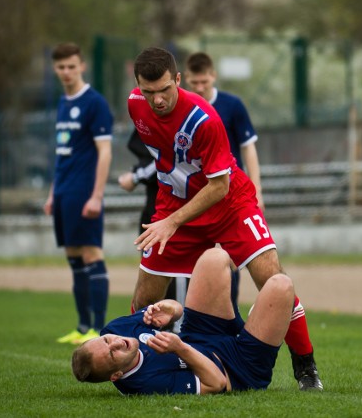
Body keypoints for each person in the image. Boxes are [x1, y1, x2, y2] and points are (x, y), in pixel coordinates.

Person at [126, 47, 322, 390]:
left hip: (229, 202)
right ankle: (138, 366)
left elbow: (219, 186)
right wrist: (169, 214)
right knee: (144, 298)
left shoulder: (205, 119)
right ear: (138, 87)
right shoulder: (134, 104)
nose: (156, 100)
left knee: (272, 278)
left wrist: (172, 222)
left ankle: (306, 367)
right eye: (149, 91)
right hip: (175, 204)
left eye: (164, 90)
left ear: (178, 80)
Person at [71, 248, 293, 395]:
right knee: (281, 285)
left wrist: (172, 310)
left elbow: (175, 310)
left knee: (213, 258)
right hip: (239, 369)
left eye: (107, 340)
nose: (117, 342)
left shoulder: (115, 330)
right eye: (112, 353)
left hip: (199, 336)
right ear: (116, 375)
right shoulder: (145, 384)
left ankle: (241, 324)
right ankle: (254, 331)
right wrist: (179, 348)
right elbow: (216, 383)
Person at [44, 42, 113, 345]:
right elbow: (62, 154)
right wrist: (52, 193)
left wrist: (96, 195)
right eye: (61, 67)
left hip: (85, 191)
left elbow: (105, 152)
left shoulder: (95, 103)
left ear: (82, 66)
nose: (67, 72)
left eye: (72, 66)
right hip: (64, 192)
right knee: (73, 256)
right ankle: (83, 326)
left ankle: (100, 328)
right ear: (55, 69)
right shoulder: (62, 102)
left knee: (90, 254)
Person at [183, 51, 264, 211]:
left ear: (213, 75)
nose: (199, 87)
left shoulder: (233, 105)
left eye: (204, 81)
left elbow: (248, 147)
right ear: (186, 78)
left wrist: (257, 190)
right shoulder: (182, 107)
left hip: (231, 189)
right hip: (196, 193)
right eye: (195, 82)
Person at [117, 129, 187, 308]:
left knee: (176, 266)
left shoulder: (182, 120)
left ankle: (179, 326)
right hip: (155, 205)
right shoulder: (145, 115)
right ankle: (152, 323)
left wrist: (135, 177)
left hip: (173, 206)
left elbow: (164, 157)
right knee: (152, 265)